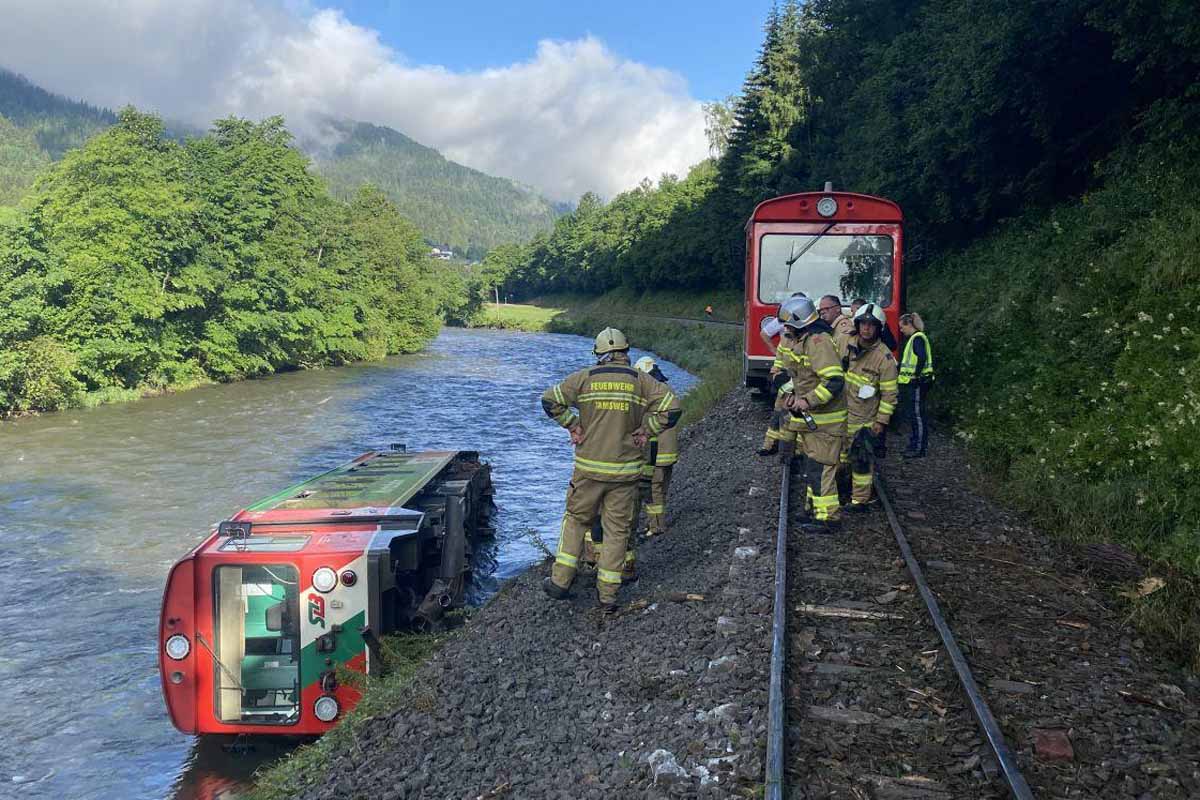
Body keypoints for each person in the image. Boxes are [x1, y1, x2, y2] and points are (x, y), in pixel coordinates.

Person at [540, 328, 681, 612]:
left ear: (599, 355)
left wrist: (573, 424)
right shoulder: (642, 382)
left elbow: (549, 400)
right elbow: (673, 407)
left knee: (577, 521)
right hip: (626, 473)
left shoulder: (584, 378)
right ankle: (607, 596)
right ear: (626, 353)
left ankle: (560, 580)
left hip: (588, 470)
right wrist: (647, 429)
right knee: (617, 531)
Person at [775, 297, 847, 531]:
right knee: (813, 465)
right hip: (815, 420)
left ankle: (828, 518)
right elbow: (803, 376)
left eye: (788, 324)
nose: (786, 329)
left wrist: (807, 400)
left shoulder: (818, 342)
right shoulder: (804, 339)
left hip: (826, 421)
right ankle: (814, 510)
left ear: (799, 321)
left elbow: (834, 381)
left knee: (823, 467)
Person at [843, 304, 899, 511]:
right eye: (863, 324)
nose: (866, 328)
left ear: (879, 328)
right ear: (857, 325)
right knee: (839, 458)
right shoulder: (847, 344)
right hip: (841, 414)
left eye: (871, 325)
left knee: (861, 462)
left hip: (864, 421)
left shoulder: (884, 359)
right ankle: (842, 491)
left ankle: (860, 501)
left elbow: (889, 395)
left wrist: (881, 422)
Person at [758, 294, 807, 456]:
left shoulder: (812, 340)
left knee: (800, 418)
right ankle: (771, 445)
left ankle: (799, 452)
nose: (786, 327)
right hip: (787, 381)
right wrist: (776, 374)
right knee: (778, 413)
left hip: (803, 385)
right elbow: (779, 358)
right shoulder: (786, 336)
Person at [634, 356, 678, 537]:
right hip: (669, 451)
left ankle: (656, 527)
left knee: (653, 489)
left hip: (657, 451)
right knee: (661, 488)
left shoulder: (651, 395)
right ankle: (656, 523)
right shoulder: (665, 390)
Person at [898, 312, 935, 458]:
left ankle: (919, 448)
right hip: (915, 382)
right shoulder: (916, 338)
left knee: (918, 415)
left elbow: (922, 357)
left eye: (902, 327)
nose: (901, 330)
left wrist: (916, 375)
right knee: (914, 414)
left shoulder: (917, 338)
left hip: (918, 383)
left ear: (909, 325)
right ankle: (914, 444)